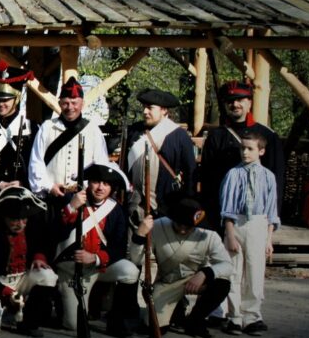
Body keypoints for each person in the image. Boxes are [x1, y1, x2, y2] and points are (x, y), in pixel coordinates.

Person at [53, 162, 140, 337]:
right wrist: (72, 207)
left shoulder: (116, 210)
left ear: (111, 188)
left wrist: (96, 258)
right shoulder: (71, 200)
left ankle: (117, 321)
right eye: (96, 182)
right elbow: (55, 234)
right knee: (72, 325)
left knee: (130, 271)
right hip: (71, 267)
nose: (101, 187)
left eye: (106, 184)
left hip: (98, 264)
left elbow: (119, 248)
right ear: (89, 183)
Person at [129, 194, 233, 338]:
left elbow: (227, 265)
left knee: (222, 283)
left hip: (196, 279)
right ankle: (176, 312)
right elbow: (136, 259)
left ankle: (196, 320)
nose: (183, 230)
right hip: (167, 282)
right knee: (152, 329)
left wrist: (205, 273)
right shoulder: (158, 226)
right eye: (179, 224)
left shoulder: (209, 234)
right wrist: (140, 234)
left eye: (188, 226)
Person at [0, 186, 57, 338]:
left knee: (48, 276)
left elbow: (46, 242)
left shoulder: (33, 224)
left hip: (22, 277)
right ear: (4, 216)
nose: (20, 223)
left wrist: (39, 256)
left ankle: (29, 322)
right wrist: (6, 293)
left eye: (23, 219)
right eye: (14, 219)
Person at [199, 81, 285, 230]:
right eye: (230, 101)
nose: (235, 104)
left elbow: (276, 179)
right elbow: (207, 180)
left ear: (249, 103)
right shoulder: (216, 137)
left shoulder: (267, 135)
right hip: (221, 214)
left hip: (257, 216)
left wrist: (271, 221)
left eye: (240, 100)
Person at [219, 131, 279, 336]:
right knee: (234, 271)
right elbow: (226, 208)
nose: (245, 152)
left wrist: (269, 239)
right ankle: (234, 316)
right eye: (242, 148)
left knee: (255, 272)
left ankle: (252, 316)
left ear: (261, 151)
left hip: (258, 224)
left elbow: (272, 211)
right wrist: (230, 234)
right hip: (237, 224)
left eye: (250, 149)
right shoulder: (233, 174)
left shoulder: (268, 177)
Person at [28, 77, 109, 201]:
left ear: (82, 104)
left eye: (74, 103)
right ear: (60, 103)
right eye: (65, 103)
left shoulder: (93, 130)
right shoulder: (47, 127)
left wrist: (86, 190)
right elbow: (36, 162)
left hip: (83, 198)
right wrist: (49, 186)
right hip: (51, 196)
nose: (70, 107)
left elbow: (100, 165)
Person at [125, 89, 195, 218]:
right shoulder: (134, 131)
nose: (145, 111)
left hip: (165, 205)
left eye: (150, 108)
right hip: (135, 203)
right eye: (144, 107)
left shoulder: (179, 135)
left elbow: (190, 171)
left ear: (164, 110)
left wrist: (187, 203)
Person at [0, 77, 38, 197]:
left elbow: (37, 161)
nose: (0, 104)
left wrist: (23, 182)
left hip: (22, 190)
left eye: (6, 100)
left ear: (16, 99)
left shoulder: (30, 126)